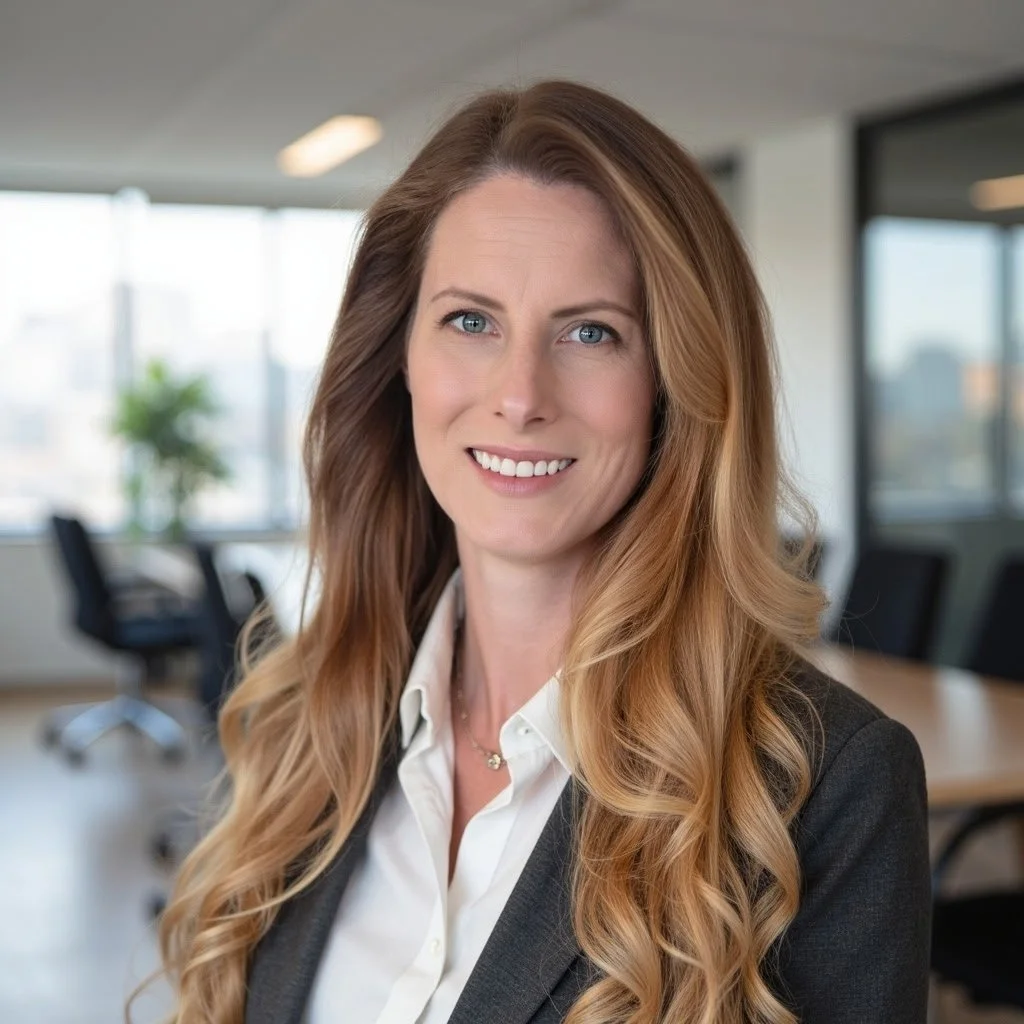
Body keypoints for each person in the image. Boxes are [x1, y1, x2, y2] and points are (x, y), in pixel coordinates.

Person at [153, 80, 930, 1023]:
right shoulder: (303, 718)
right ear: (398, 358)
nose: (520, 395)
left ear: (672, 386)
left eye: (591, 331)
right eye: (471, 321)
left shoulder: (820, 788)